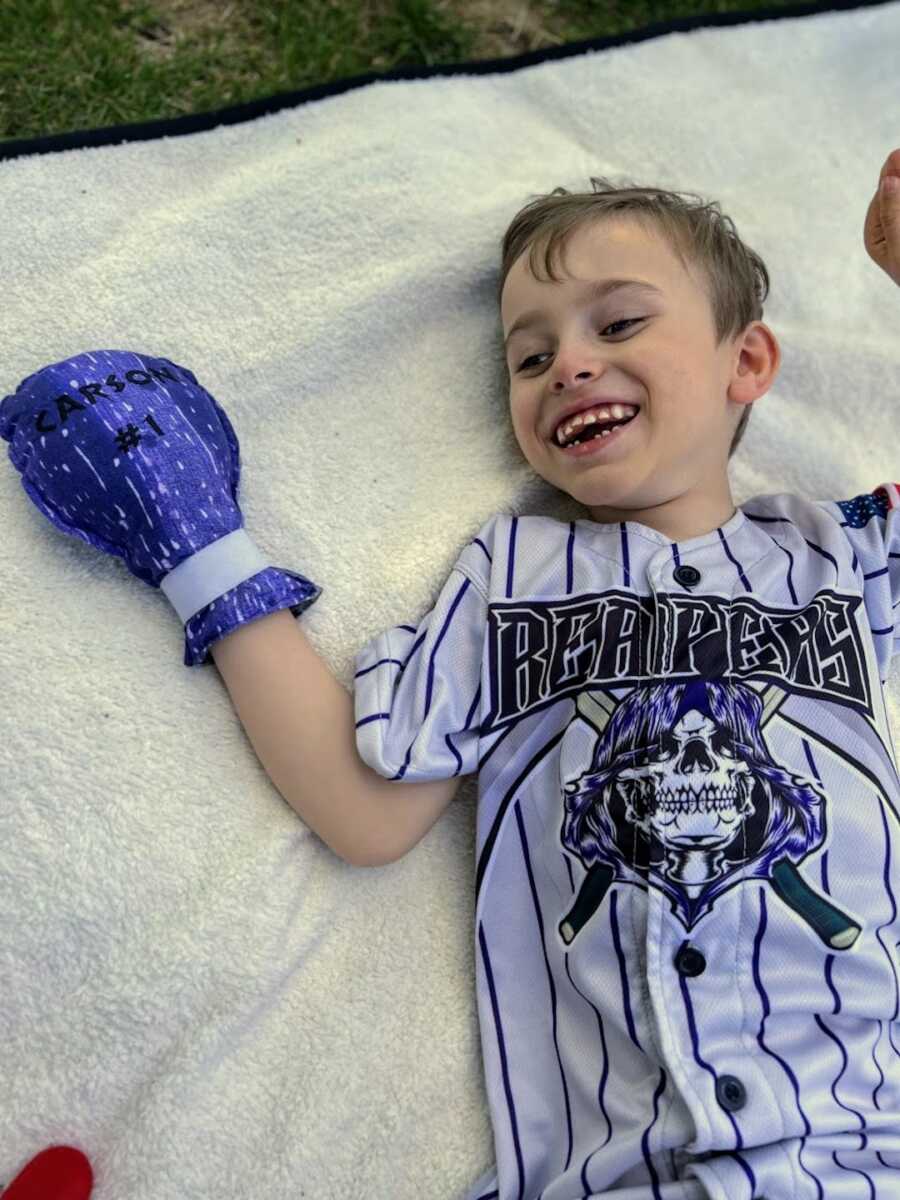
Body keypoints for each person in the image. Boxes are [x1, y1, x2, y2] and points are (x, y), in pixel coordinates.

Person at [2, 153, 899, 1200]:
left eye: (617, 326)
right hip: (611, 1173)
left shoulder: (834, 552)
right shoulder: (513, 575)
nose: (567, 365)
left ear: (746, 362)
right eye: (529, 357)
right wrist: (204, 554)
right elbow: (366, 812)